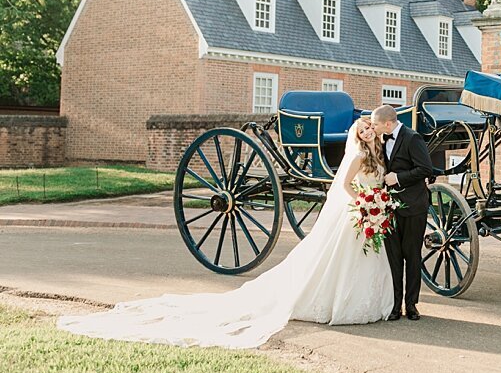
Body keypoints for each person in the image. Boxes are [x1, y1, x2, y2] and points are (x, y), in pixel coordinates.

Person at [57, 118, 393, 348]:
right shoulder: (358, 155)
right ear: (358, 133)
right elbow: (348, 184)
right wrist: (365, 202)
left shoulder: (375, 152)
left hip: (362, 211)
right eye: (363, 128)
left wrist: (373, 200)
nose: (366, 132)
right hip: (357, 206)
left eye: (369, 129)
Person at [370, 104, 434, 321]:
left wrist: (398, 178)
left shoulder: (412, 138)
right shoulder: (378, 140)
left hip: (414, 206)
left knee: (412, 256)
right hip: (388, 208)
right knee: (394, 258)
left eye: (376, 124)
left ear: (388, 123)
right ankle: (395, 305)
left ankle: (412, 305)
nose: (373, 127)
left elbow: (425, 169)